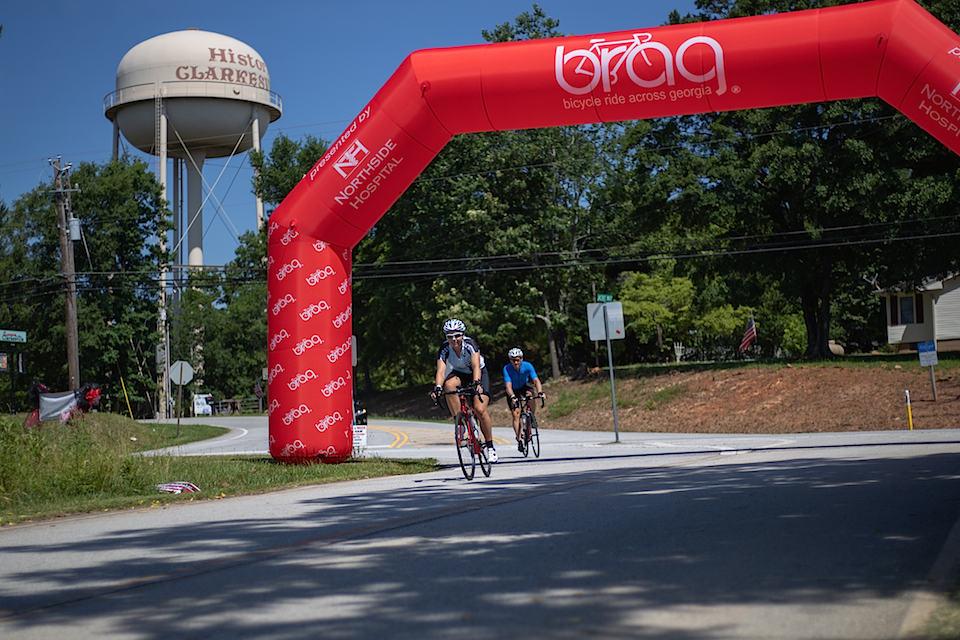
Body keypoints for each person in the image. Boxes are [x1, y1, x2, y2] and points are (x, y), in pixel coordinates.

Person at [431, 319, 498, 463]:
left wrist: (477, 383)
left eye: (457, 335)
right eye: (450, 336)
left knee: (480, 410)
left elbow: (476, 366)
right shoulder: (445, 348)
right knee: (449, 385)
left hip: (477, 373)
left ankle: (490, 446)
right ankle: (460, 422)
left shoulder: (470, 344)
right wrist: (438, 387)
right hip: (460, 373)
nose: (454, 339)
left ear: (463, 334)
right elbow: (441, 370)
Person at [503, 347, 545, 452]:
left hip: (523, 386)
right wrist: (512, 396)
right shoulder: (507, 368)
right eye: (513, 360)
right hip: (512, 389)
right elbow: (508, 386)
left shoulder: (527, 365)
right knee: (516, 414)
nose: (516, 362)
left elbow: (536, 380)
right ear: (510, 360)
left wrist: (540, 392)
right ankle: (519, 440)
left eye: (517, 359)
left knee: (531, 395)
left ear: (521, 358)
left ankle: (531, 416)